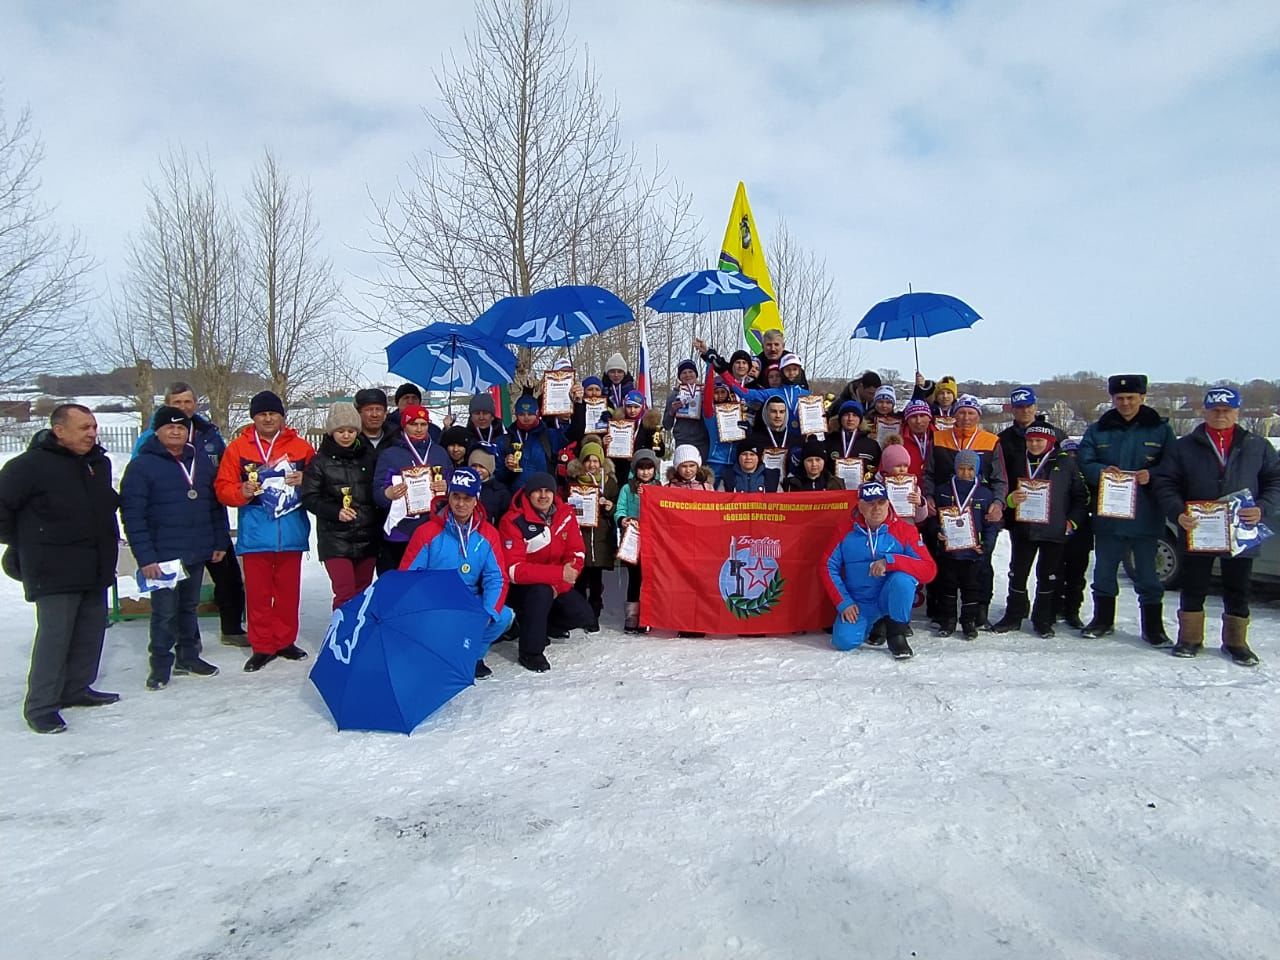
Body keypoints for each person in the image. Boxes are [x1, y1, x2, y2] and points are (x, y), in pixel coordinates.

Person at [0, 404, 120, 734]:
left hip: (94, 565)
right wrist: (29, 540)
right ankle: (41, 706)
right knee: (55, 639)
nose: (92, 433)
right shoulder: (28, 467)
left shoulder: (99, 464)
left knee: (90, 632)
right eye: (83, 428)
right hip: (53, 569)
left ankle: (76, 688)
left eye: (93, 427)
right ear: (59, 430)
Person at [1152, 385, 1280, 665]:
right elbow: (1165, 482)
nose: (1221, 415)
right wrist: (1177, 513)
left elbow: (1275, 480)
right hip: (1199, 527)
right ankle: (1189, 638)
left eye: (1227, 410)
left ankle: (1236, 642)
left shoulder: (1257, 445)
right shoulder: (1183, 446)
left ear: (1237, 412)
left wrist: (1262, 508)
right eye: (1215, 410)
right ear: (1204, 411)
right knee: (1194, 585)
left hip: (1241, 528)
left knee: (1238, 586)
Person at [121, 405, 230, 689]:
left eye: (181, 427)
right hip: (163, 556)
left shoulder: (201, 461)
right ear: (156, 431)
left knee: (188, 607)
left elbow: (214, 504)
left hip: (196, 548)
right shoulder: (142, 466)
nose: (176, 431)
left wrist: (219, 540)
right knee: (164, 612)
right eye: (169, 427)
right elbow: (133, 515)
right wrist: (145, 558)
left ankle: (189, 656)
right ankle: (159, 664)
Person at [132, 380, 247, 646]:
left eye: (187, 402)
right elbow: (140, 490)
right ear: (167, 405)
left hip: (208, 518)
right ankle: (174, 648)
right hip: (171, 530)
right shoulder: (150, 439)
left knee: (227, 579)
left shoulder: (209, 434)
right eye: (177, 403)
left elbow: (224, 471)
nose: (183, 408)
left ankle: (230, 629)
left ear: (195, 404)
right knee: (176, 598)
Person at [215, 390, 315, 672]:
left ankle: (284, 641)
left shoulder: (301, 447)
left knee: (288, 592)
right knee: (258, 593)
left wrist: (305, 479)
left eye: (273, 413)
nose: (268, 418)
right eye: (262, 414)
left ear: (282, 416)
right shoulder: (237, 448)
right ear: (254, 417)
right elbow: (222, 488)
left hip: (291, 530)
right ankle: (262, 646)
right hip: (257, 531)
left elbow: (321, 480)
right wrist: (241, 491)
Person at [1076, 374, 1176, 644]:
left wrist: (1152, 475)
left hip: (1146, 515)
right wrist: (1101, 471)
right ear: (1112, 399)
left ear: (1142, 397)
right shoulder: (1099, 429)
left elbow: (1173, 465)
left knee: (1147, 573)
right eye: (1120, 398)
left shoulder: (1160, 430)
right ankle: (1103, 620)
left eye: (1131, 398)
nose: (1125, 403)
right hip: (1109, 515)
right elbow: (1084, 461)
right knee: (1104, 571)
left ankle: (1153, 628)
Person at [400, 467, 515, 679]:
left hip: (468, 601)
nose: (461, 504)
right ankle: (438, 654)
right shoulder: (426, 532)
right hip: (434, 602)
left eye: (467, 497)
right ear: (449, 496)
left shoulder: (488, 534)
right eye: (456, 496)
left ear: (476, 499)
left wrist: (488, 612)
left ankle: (473, 657)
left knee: (504, 615)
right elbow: (407, 576)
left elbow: (496, 577)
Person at [990, 424, 1088, 638]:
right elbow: (1004, 489)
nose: (1034, 445)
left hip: (1054, 530)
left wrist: (1072, 521)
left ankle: (1043, 619)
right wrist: (1010, 501)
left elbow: (1081, 497)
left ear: (1050, 443)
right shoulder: (1017, 461)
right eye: (1030, 440)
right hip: (1024, 528)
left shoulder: (1065, 463)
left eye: (1039, 441)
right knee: (1017, 573)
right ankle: (1013, 616)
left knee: (1048, 575)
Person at [822, 480, 937, 659]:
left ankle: (896, 632)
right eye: (870, 503)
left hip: (888, 598)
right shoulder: (844, 530)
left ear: (888, 503)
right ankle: (877, 622)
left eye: (881, 502)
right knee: (844, 641)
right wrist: (843, 602)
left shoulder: (905, 531)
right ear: (860, 506)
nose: (877, 508)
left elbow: (929, 570)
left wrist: (891, 561)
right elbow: (827, 566)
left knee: (903, 580)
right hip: (860, 602)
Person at [925, 394, 1007, 628]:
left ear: (979, 416)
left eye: (971, 413)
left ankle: (979, 608)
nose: (966, 417)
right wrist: (929, 496)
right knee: (943, 561)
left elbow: (1000, 478)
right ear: (954, 414)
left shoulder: (991, 441)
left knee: (981, 561)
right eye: (961, 412)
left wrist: (999, 503)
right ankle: (942, 610)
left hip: (980, 511)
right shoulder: (939, 437)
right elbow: (929, 473)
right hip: (945, 508)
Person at [499, 472, 595, 672]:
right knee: (541, 593)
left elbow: (577, 552)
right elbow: (514, 571)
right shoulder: (513, 520)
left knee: (584, 616)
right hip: (521, 589)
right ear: (528, 494)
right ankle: (530, 652)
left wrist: (560, 582)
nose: (543, 496)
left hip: (555, 584)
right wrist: (557, 575)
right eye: (537, 491)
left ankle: (543, 623)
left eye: (547, 491)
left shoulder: (565, 513)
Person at [301, 403, 380, 611]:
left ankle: (359, 638)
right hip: (335, 539)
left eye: (351, 431)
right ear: (331, 432)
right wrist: (335, 512)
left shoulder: (368, 457)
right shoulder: (320, 462)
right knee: (345, 592)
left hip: (366, 537)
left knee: (363, 592)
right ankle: (340, 638)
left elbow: (378, 490)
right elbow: (310, 497)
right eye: (341, 431)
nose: (346, 436)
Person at [372, 403, 450, 573]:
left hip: (434, 529)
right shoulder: (390, 454)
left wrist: (447, 487)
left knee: (430, 583)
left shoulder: (439, 453)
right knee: (403, 583)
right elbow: (377, 493)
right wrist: (388, 494)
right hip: (402, 532)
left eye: (423, 424)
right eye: (413, 424)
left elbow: (452, 485)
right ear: (404, 425)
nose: (419, 429)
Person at [933, 450, 1001, 640]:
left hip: (972, 553)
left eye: (970, 469)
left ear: (977, 470)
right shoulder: (943, 490)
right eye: (961, 468)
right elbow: (934, 518)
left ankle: (968, 622)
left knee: (972, 590)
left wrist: (986, 546)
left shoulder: (984, 494)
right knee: (947, 588)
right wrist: (937, 531)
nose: (965, 473)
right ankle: (948, 621)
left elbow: (990, 525)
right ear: (955, 468)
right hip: (950, 553)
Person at [566, 439, 618, 627]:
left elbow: (617, 506)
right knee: (581, 577)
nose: (592, 465)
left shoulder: (609, 482)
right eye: (588, 460)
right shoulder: (573, 482)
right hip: (581, 535)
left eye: (596, 461)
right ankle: (581, 613)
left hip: (601, 537)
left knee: (596, 579)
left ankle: (594, 612)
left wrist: (610, 507)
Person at [615, 448, 660, 633]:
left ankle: (648, 615)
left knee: (650, 578)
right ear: (635, 469)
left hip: (653, 540)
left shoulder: (659, 488)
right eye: (641, 468)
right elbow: (620, 508)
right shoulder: (628, 488)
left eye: (649, 468)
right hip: (633, 539)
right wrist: (622, 519)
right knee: (634, 578)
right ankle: (632, 616)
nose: (645, 472)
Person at [1053, 438, 1094, 630]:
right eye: (1067, 454)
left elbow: (1085, 500)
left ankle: (1073, 610)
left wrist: (1075, 521)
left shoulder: (1086, 474)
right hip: (1056, 528)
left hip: (1080, 528)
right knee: (1055, 570)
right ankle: (1054, 607)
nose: (1071, 457)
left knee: (1077, 574)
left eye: (1074, 454)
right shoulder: (1056, 471)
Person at [496, 393, 568, 492]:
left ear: (537, 413)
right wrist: (507, 468)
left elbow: (574, 434)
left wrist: (577, 404)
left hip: (543, 496)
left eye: (530, 414)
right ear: (516, 414)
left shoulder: (550, 436)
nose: (526, 418)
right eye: (521, 414)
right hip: (516, 498)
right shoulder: (504, 440)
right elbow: (499, 477)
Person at [662, 359, 711, 463]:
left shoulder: (705, 392)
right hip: (683, 440)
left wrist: (705, 400)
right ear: (679, 376)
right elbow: (666, 425)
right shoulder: (674, 395)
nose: (687, 375)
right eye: (684, 373)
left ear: (696, 374)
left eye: (691, 372)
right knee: (685, 470)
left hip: (703, 440)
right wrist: (672, 411)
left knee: (702, 473)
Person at [826, 400, 881, 486]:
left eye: (855, 415)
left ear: (860, 419)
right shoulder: (828, 441)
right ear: (840, 418)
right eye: (846, 415)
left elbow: (877, 470)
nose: (850, 419)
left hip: (861, 493)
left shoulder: (871, 445)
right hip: (834, 493)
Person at [467, 447, 511, 524]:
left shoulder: (501, 492)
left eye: (482, 466)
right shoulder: (462, 486)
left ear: (490, 468)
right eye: (474, 466)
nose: (477, 470)